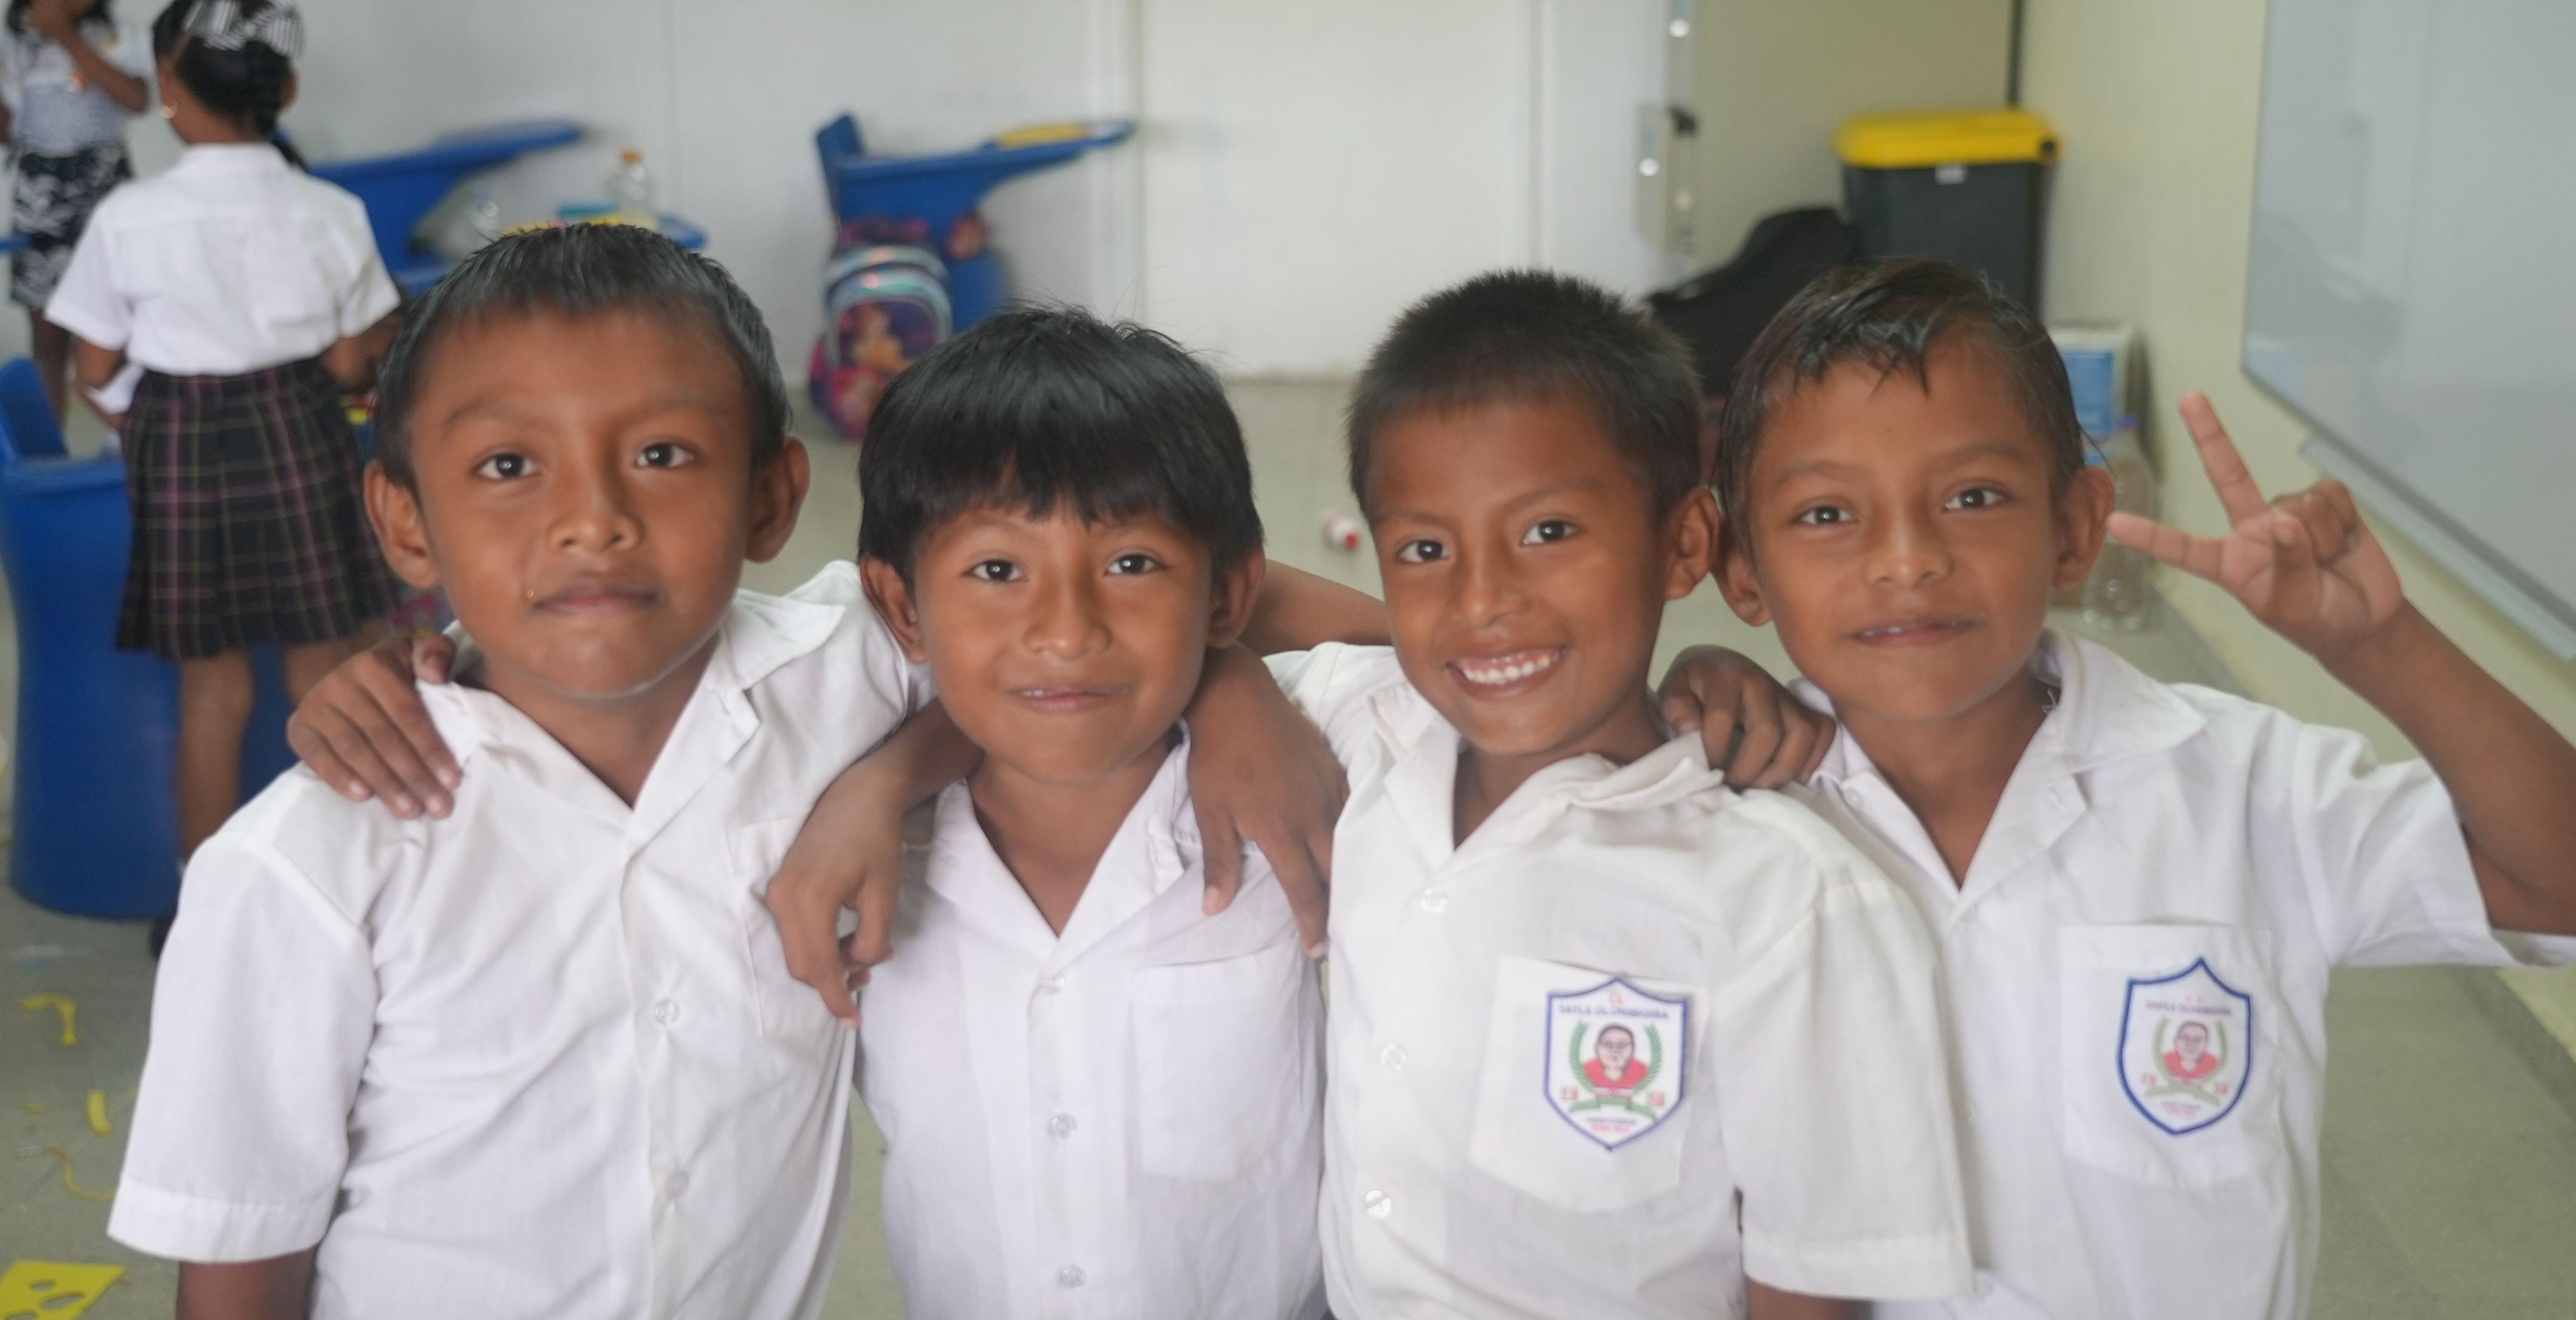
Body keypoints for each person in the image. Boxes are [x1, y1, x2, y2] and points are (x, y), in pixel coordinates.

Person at [110, 230, 1352, 1319]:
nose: (590, 518)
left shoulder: (836, 670)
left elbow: (1140, 591)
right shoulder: (306, 865)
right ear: (403, 522)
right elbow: (238, 1261)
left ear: (770, 495)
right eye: (506, 466)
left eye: (660, 453)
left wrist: (1226, 679)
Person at [1699, 256, 2576, 1318]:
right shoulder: (1721, 813)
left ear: (2076, 528)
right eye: (1828, 515)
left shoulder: (2245, 791)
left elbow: (2558, 881)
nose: (1908, 559)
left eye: (1974, 496)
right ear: (1741, 572)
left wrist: (2385, 647)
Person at [1269, 271, 1968, 1319]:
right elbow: (1164, 629)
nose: (1483, 602)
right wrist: (1236, 693)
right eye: (1426, 549)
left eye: (1548, 532)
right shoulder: (1358, 732)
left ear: (1685, 544)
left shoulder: (1785, 899)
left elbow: (1816, 1281)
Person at [837, 308, 1335, 1317]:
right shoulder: (844, 824)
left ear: (1228, 595)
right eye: (996, 570)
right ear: (899, 609)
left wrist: (1705, 677)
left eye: (1132, 564)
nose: (1065, 632)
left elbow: (1461, 666)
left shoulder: (1309, 790)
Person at [47, 0, 398, 873]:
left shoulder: (128, 218)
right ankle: (348, 885)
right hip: (302, 431)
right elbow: (361, 361)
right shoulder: (332, 212)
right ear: (285, 92)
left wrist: (159, 421)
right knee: (324, 673)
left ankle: (205, 905)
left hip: (179, 449)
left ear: (169, 85)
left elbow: (90, 372)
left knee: (214, 688)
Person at [2, 0, 147, 418]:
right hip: (41, 192)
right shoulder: (13, 44)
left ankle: (124, 434)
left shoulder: (119, 35)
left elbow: (137, 98)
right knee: (49, 332)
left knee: (120, 317)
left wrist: (68, 38)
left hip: (106, 188)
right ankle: (52, 445)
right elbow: (10, 129)